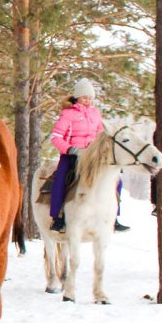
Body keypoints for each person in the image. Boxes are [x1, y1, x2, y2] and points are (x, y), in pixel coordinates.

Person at [47, 79, 105, 233]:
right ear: (77, 97)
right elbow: (55, 136)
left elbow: (100, 133)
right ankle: (57, 217)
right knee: (61, 179)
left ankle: (114, 217)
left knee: (114, 179)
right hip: (71, 155)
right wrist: (71, 149)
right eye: (84, 97)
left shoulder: (95, 113)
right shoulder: (68, 114)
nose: (88, 101)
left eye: (90, 98)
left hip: (92, 156)